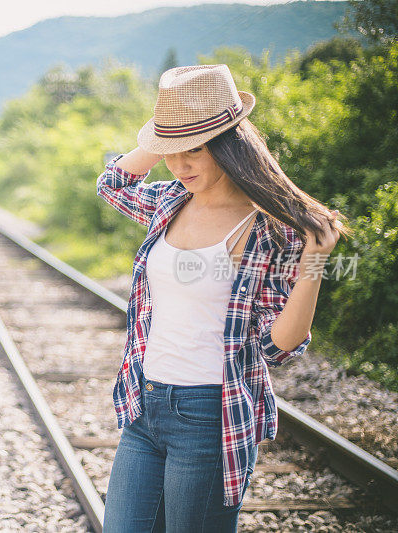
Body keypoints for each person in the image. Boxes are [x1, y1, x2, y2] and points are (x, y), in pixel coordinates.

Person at [96, 64, 348, 532]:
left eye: (193, 152)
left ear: (229, 146)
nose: (179, 166)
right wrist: (161, 138)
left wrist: (315, 261)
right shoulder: (172, 200)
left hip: (210, 415)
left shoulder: (271, 228)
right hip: (144, 403)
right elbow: (113, 184)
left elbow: (280, 344)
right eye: (172, 153)